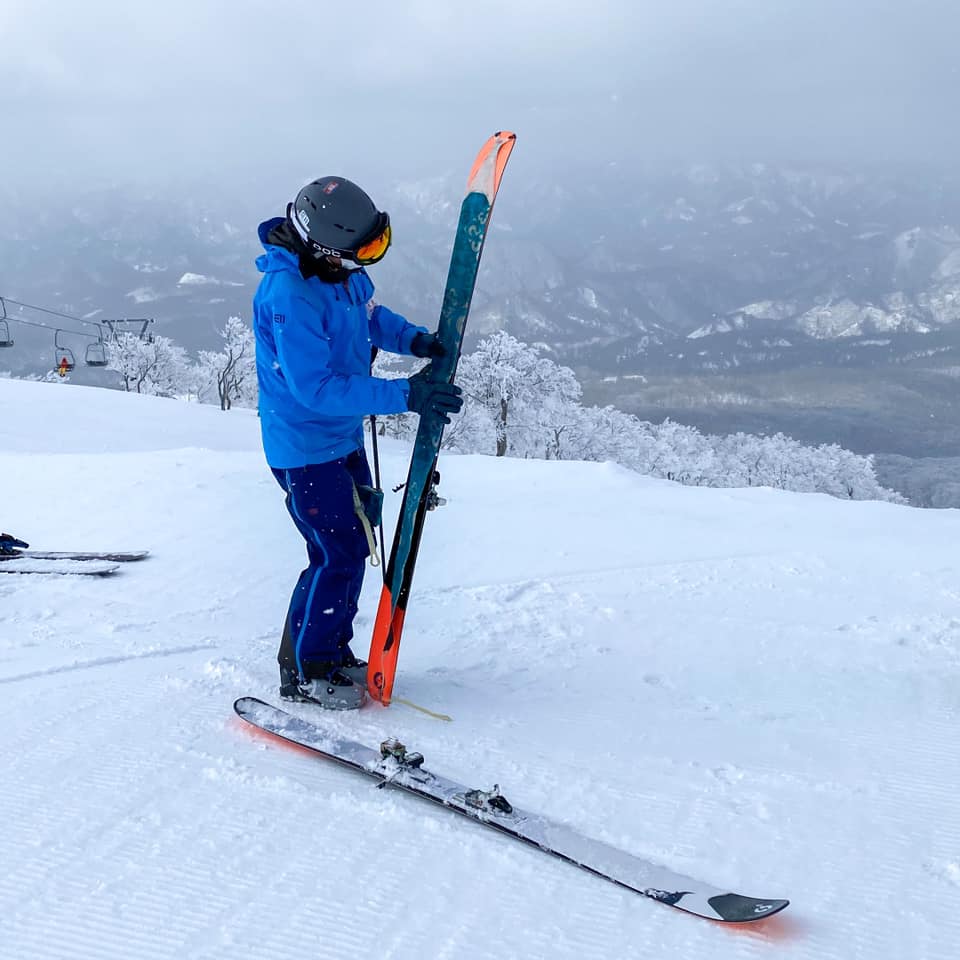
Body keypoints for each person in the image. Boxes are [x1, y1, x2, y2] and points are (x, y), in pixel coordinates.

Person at [252, 176, 462, 710]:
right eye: (362, 249)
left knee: (349, 547)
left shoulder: (338, 274)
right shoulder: (289, 295)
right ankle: (308, 670)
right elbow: (314, 388)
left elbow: (368, 318)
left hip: (340, 437)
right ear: (323, 244)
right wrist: (405, 395)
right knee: (336, 553)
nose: (366, 260)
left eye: (375, 246)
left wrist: (413, 340)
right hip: (304, 448)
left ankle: (326, 652)